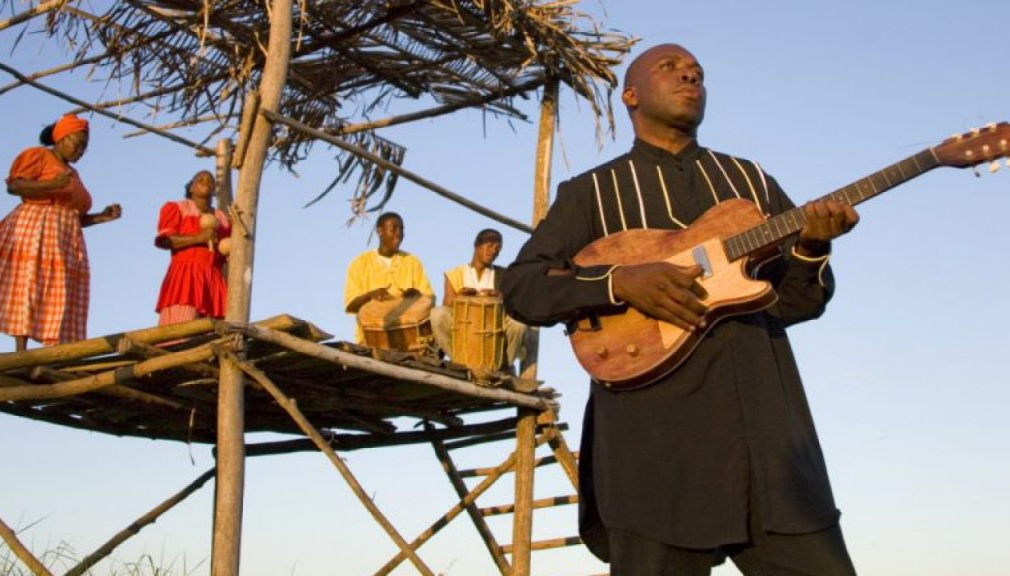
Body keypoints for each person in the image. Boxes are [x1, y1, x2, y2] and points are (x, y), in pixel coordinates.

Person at [502, 44, 861, 575]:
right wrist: (618, 281)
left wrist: (811, 247)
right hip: (654, 456)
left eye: (696, 71)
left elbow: (797, 303)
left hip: (769, 450)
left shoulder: (752, 182)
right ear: (630, 95)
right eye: (668, 67)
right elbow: (522, 287)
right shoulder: (590, 193)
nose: (689, 73)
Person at [0, 114, 121, 351]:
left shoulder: (72, 174)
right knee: (29, 283)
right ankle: (21, 352)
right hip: (37, 227)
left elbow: (74, 216)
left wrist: (102, 216)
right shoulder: (39, 156)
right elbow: (14, 185)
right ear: (60, 139)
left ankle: (54, 351)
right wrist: (50, 185)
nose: (80, 150)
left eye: (84, 147)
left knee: (57, 291)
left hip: (64, 236)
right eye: (77, 144)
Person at [429, 228, 535, 373]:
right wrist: (461, 297)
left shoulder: (503, 275)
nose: (494, 251)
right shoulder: (455, 273)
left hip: (493, 332)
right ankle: (459, 360)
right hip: (464, 331)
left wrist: (500, 297)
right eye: (490, 245)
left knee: (519, 324)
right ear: (477, 245)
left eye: (498, 248)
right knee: (437, 314)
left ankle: (501, 366)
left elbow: (515, 304)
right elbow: (447, 304)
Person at [343, 212, 434, 344]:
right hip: (372, 338)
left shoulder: (412, 262)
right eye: (394, 228)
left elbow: (429, 300)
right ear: (380, 231)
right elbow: (351, 305)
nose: (398, 233)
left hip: (410, 337)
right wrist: (369, 296)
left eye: (402, 229)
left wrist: (417, 295)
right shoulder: (359, 264)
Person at [154, 170, 231, 325]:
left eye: (210, 180)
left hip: (213, 279)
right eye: (200, 179)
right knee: (180, 329)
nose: (206, 181)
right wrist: (199, 238)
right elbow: (165, 241)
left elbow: (225, 251)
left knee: (212, 333)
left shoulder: (223, 219)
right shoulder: (177, 208)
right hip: (185, 276)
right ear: (191, 188)